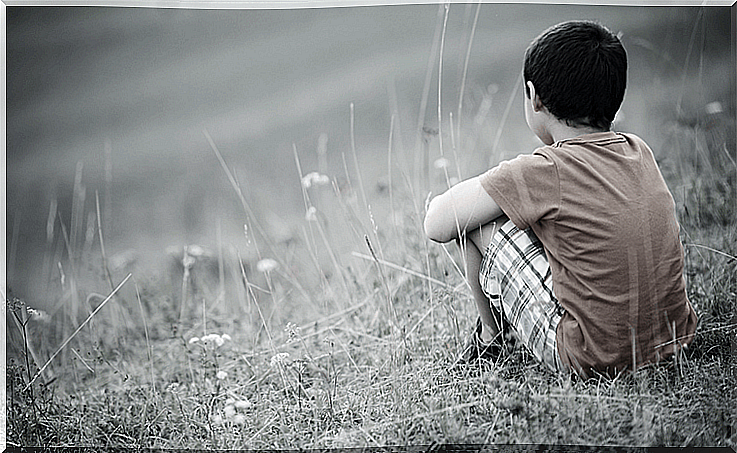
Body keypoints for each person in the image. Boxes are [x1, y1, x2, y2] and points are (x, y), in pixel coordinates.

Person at [423, 20, 698, 378]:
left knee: (481, 222)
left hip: (591, 357)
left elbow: (437, 225)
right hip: (675, 338)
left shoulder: (546, 169)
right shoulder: (637, 150)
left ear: (534, 96)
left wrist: (440, 201)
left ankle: (492, 339)